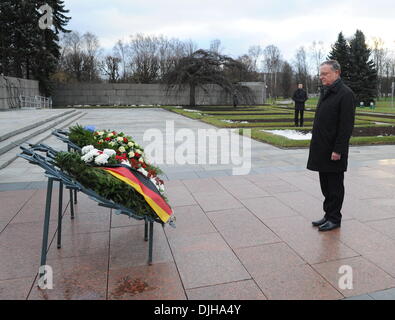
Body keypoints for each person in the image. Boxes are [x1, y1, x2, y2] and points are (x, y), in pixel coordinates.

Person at [307, 60, 356, 232]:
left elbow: (346, 126)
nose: (321, 77)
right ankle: (328, 214)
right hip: (322, 148)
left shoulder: (345, 94)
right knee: (325, 185)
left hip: (334, 150)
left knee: (334, 186)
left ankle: (335, 218)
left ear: (337, 73)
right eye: (320, 73)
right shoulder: (327, 91)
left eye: (325, 73)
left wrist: (338, 150)